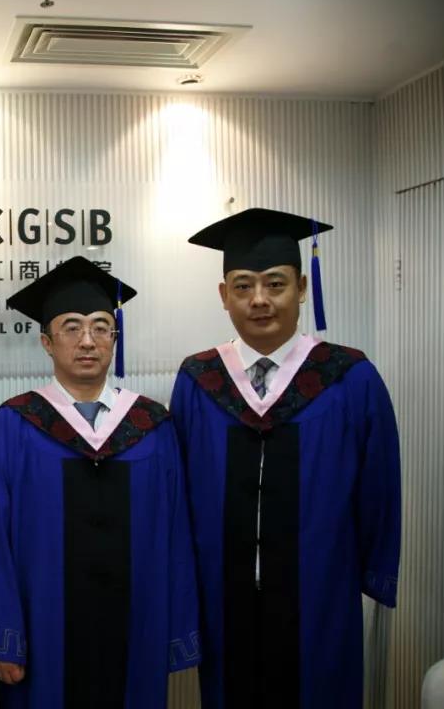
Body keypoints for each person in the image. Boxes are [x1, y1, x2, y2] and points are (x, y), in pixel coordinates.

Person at [170, 208, 401, 709]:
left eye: (274, 284)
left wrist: (367, 573)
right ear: (223, 295)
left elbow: (380, 487)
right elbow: (179, 494)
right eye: (243, 285)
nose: (259, 299)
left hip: (320, 592)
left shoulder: (349, 376)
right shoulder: (199, 380)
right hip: (223, 596)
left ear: (301, 287)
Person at [0, 256, 201, 709]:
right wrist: (4, 635)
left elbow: (176, 531)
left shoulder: (151, 424)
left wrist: (177, 628)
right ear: (46, 341)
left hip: (136, 626)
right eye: (71, 327)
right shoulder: (16, 423)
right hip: (43, 633)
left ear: (115, 339)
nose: (87, 340)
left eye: (101, 327)